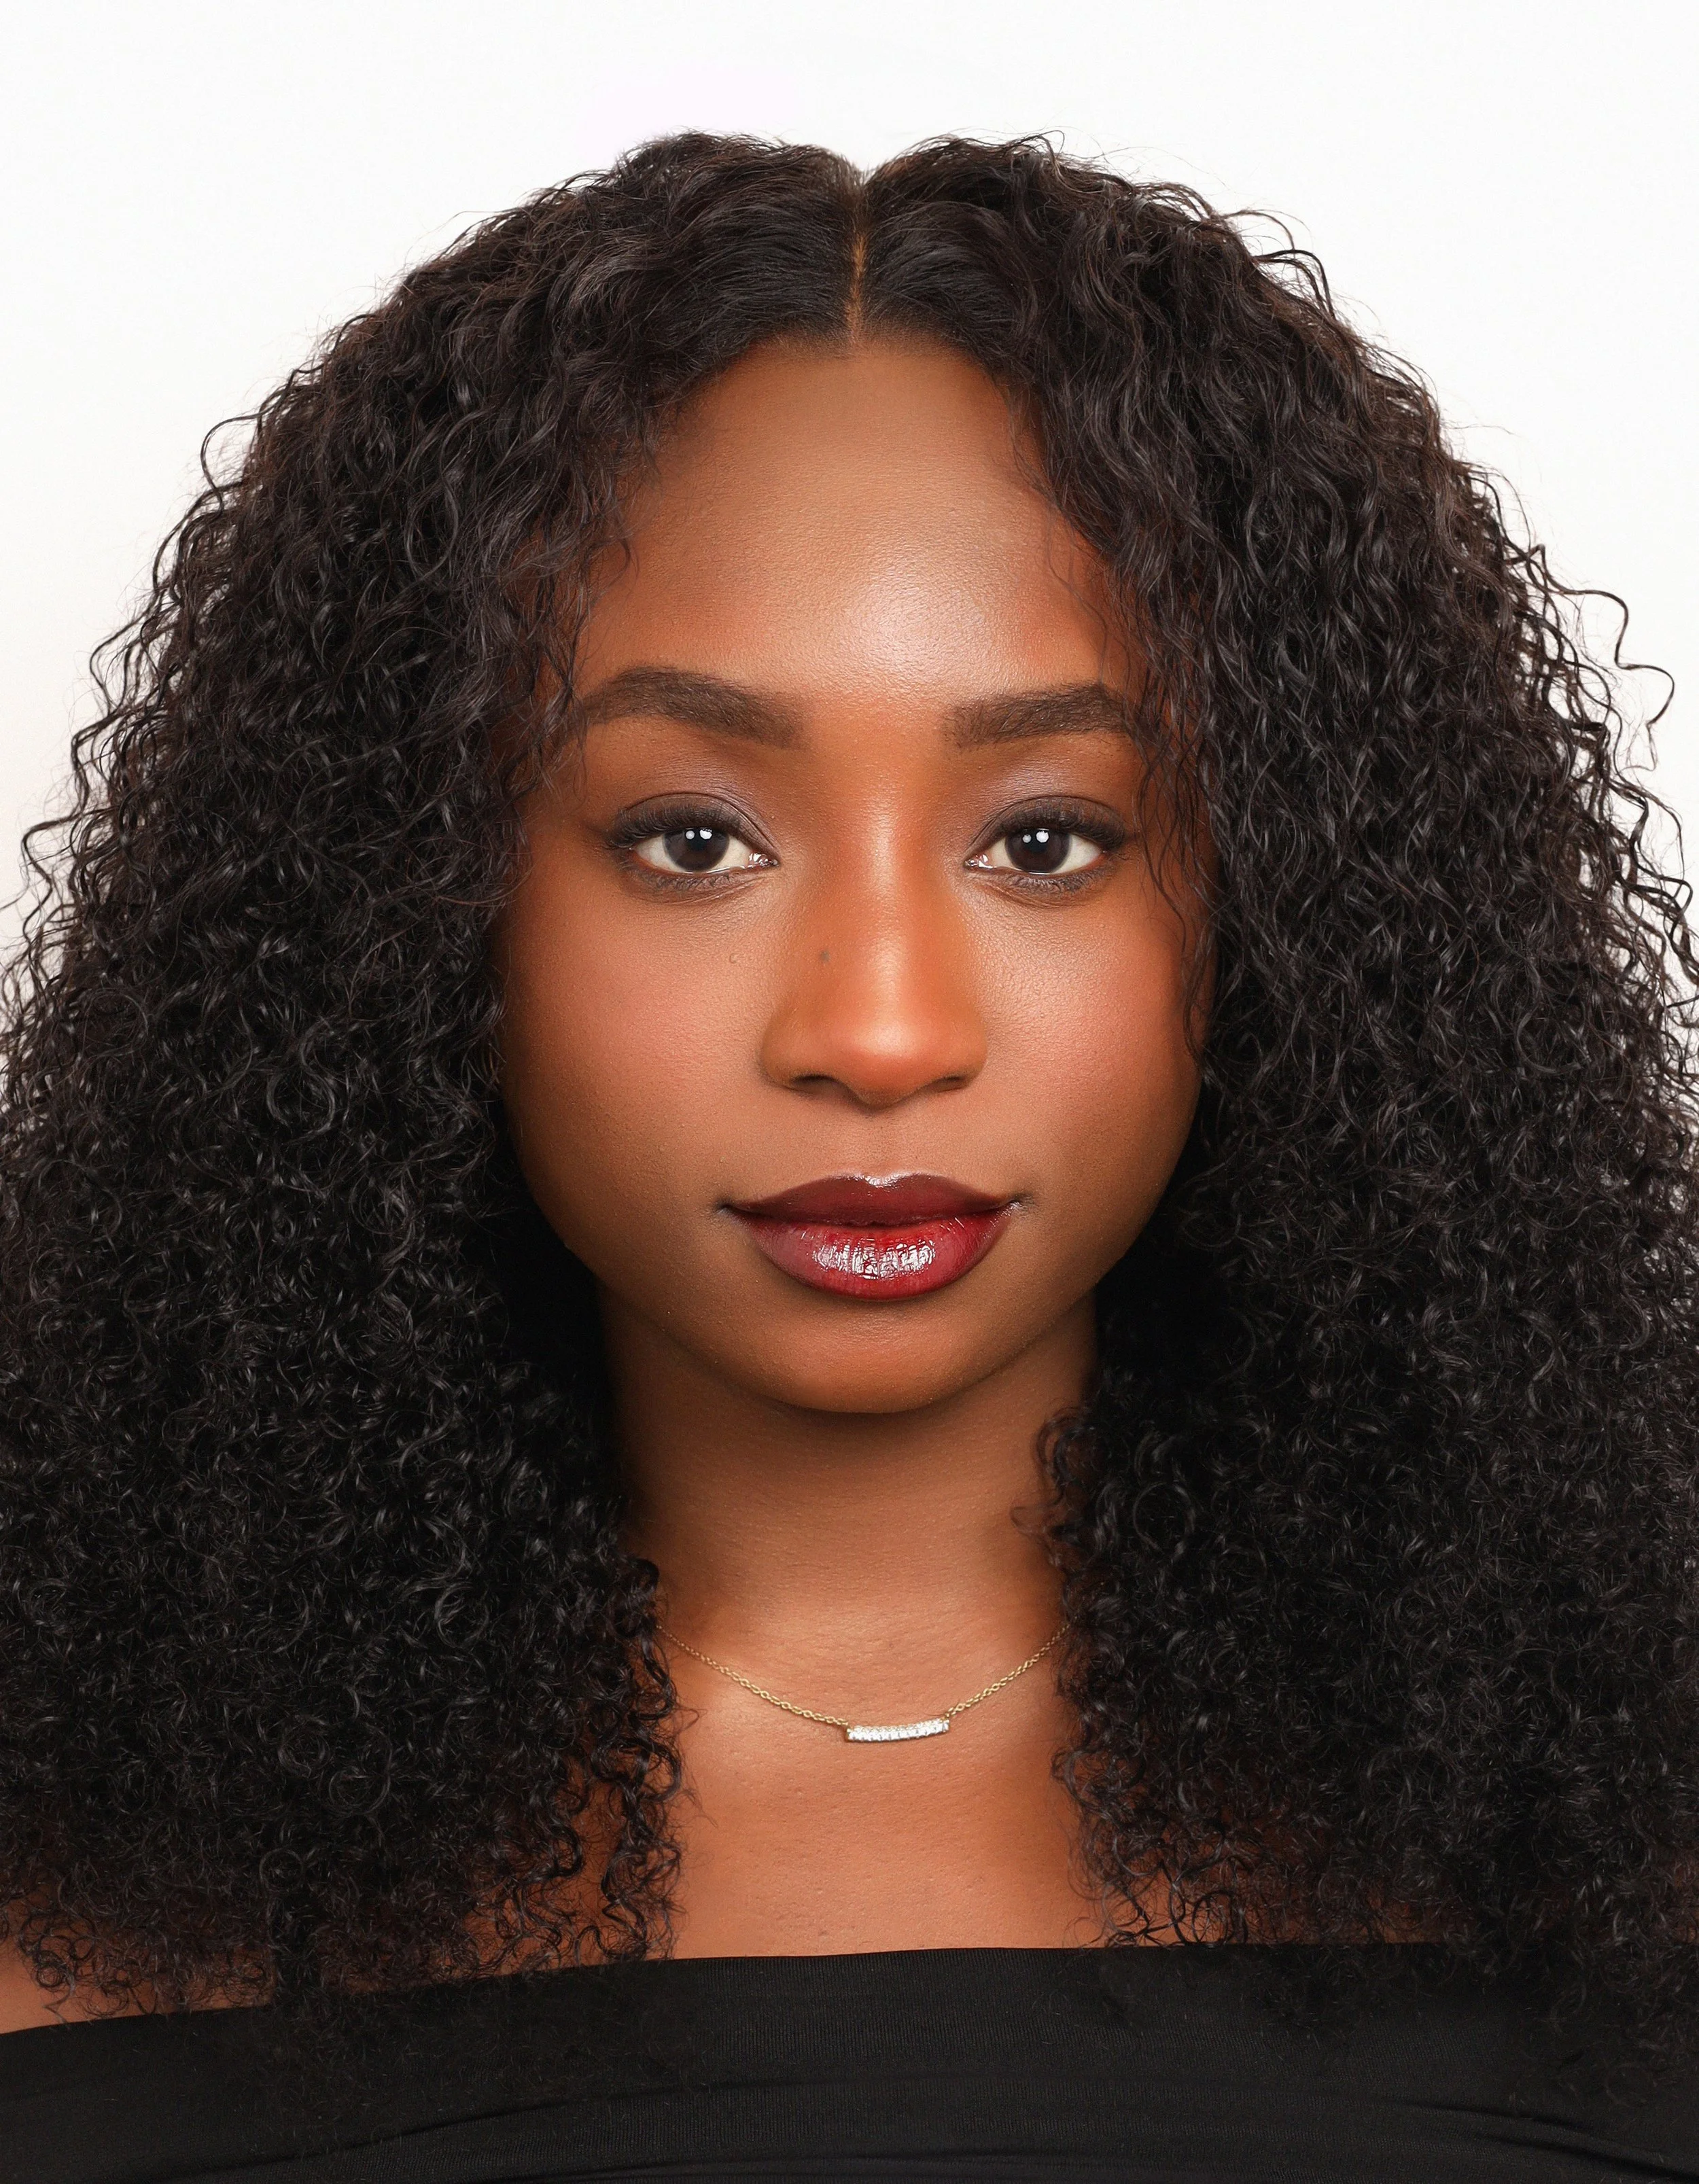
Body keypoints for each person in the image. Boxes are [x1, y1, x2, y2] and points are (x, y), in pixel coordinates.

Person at [2, 130, 1698, 2181]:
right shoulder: (66, 1911)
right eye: (692, 837)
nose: (878, 1030)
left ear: (1293, 911)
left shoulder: (1624, 1842)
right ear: (406, 897)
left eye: (1044, 836)